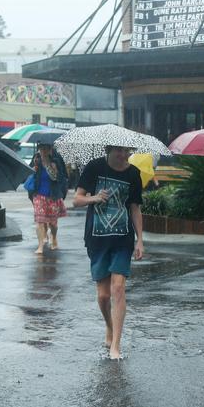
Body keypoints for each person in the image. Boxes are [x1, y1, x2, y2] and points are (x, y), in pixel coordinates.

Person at [73, 145, 144, 360]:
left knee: (119, 287)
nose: (123, 156)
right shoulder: (95, 167)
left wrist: (140, 239)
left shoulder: (133, 174)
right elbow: (76, 200)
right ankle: (109, 326)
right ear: (109, 150)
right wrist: (94, 198)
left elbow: (135, 208)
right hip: (97, 238)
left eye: (127, 152)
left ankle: (116, 345)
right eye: (119, 151)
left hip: (123, 239)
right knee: (103, 296)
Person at [30, 142, 68, 254]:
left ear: (51, 149)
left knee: (53, 224)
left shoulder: (56, 161)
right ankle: (40, 246)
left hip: (53, 195)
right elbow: (29, 173)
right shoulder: (36, 159)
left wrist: (53, 169)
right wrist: (34, 169)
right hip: (38, 194)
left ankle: (54, 237)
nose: (44, 151)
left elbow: (60, 178)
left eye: (46, 149)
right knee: (39, 221)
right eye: (41, 149)